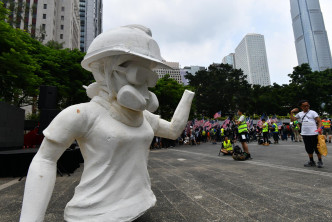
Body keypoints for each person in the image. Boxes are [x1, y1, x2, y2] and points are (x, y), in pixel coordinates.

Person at [20, 25, 195, 222]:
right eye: (137, 75)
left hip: (142, 206)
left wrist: (188, 96)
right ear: (103, 70)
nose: (144, 90)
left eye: (149, 78)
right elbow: (45, 160)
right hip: (94, 214)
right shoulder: (82, 114)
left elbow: (173, 130)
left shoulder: (143, 116)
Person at [290, 100, 323, 168]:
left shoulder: (313, 112)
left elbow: (319, 121)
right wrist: (291, 112)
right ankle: (311, 161)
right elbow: (292, 120)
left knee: (317, 148)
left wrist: (319, 129)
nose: (306, 107)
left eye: (307, 105)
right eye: (304, 106)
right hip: (305, 134)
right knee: (308, 148)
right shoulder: (300, 114)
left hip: (314, 133)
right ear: (301, 107)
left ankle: (320, 161)